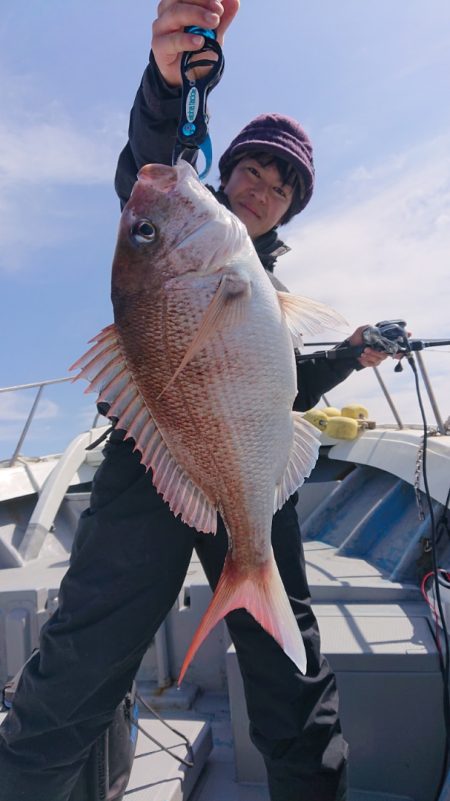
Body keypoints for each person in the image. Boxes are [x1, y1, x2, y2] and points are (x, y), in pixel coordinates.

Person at [0, 2, 389, 800]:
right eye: (252, 169)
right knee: (80, 664)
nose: (264, 189)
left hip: (247, 467)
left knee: (292, 677)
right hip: (150, 469)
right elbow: (150, 161)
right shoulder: (178, 226)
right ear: (225, 169)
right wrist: (170, 81)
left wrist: (352, 355)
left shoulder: (255, 283)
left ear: (290, 207)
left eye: (284, 186)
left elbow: (289, 385)